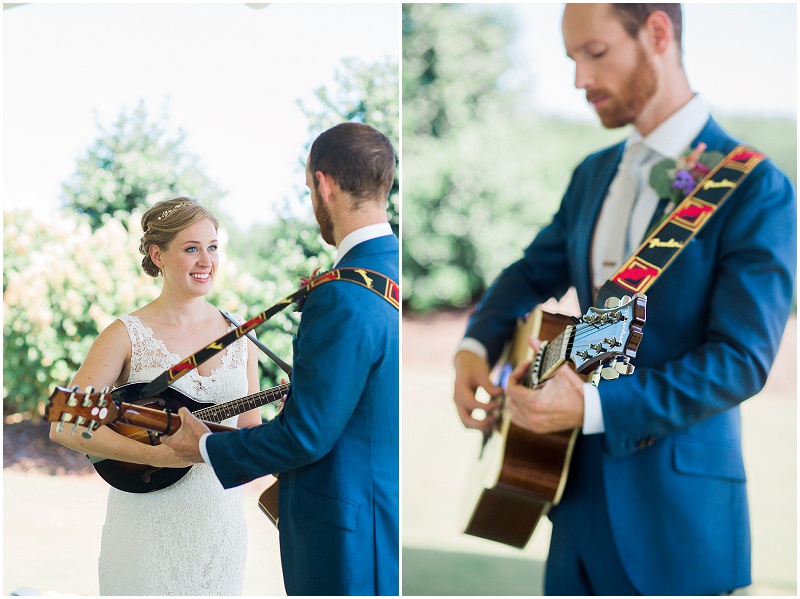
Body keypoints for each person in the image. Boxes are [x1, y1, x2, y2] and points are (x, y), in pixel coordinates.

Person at [453, 4, 796, 596]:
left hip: (679, 521)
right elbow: (528, 274)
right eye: (571, 59)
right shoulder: (593, 173)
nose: (579, 80)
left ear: (657, 33)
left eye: (595, 53)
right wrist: (473, 346)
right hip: (567, 493)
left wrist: (588, 408)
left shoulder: (756, 188)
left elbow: (740, 361)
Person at [162, 122, 400, 596]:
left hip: (346, 544)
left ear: (323, 184)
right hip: (379, 522)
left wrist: (205, 447)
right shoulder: (387, 272)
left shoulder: (344, 294)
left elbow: (307, 435)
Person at [50, 197, 262, 595]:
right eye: (191, 248)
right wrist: (157, 456)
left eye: (212, 247)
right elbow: (64, 424)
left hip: (219, 529)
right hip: (143, 530)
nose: (206, 260)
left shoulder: (243, 335)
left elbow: (250, 433)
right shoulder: (125, 334)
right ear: (157, 254)